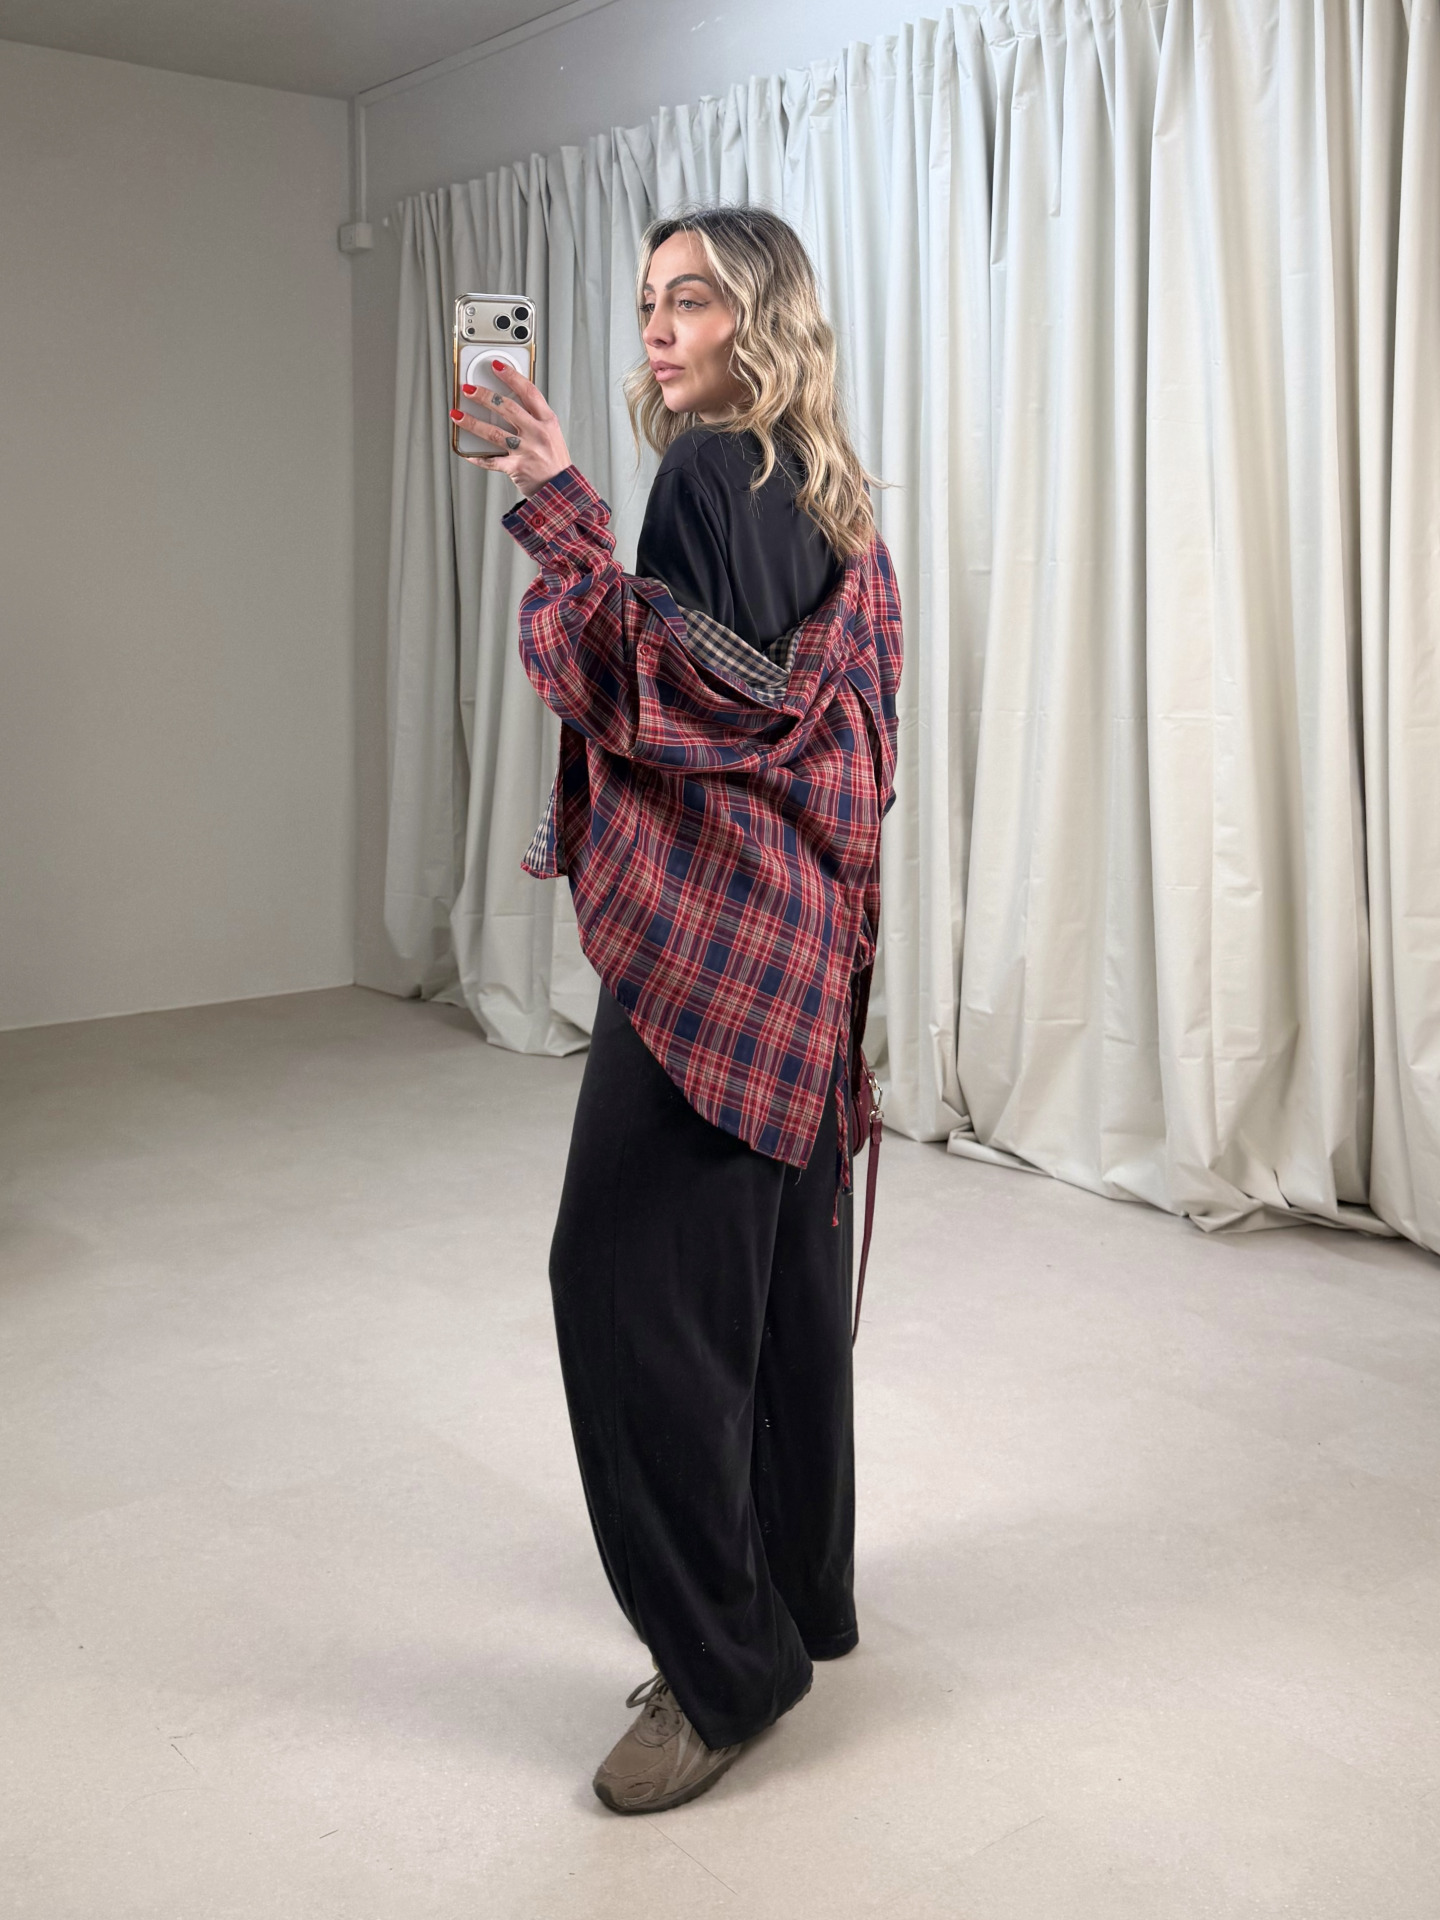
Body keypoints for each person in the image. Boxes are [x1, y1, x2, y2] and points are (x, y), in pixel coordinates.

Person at [448, 204, 903, 1813]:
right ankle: (804, 1597)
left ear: (760, 317)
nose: (661, 326)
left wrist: (557, 505)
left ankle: (725, 1669)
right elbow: (779, 702)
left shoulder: (712, 469)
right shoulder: (833, 492)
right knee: (774, 1294)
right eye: (649, 298)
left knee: (626, 1289)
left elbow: (672, 696)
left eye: (695, 299)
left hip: (715, 958)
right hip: (809, 951)